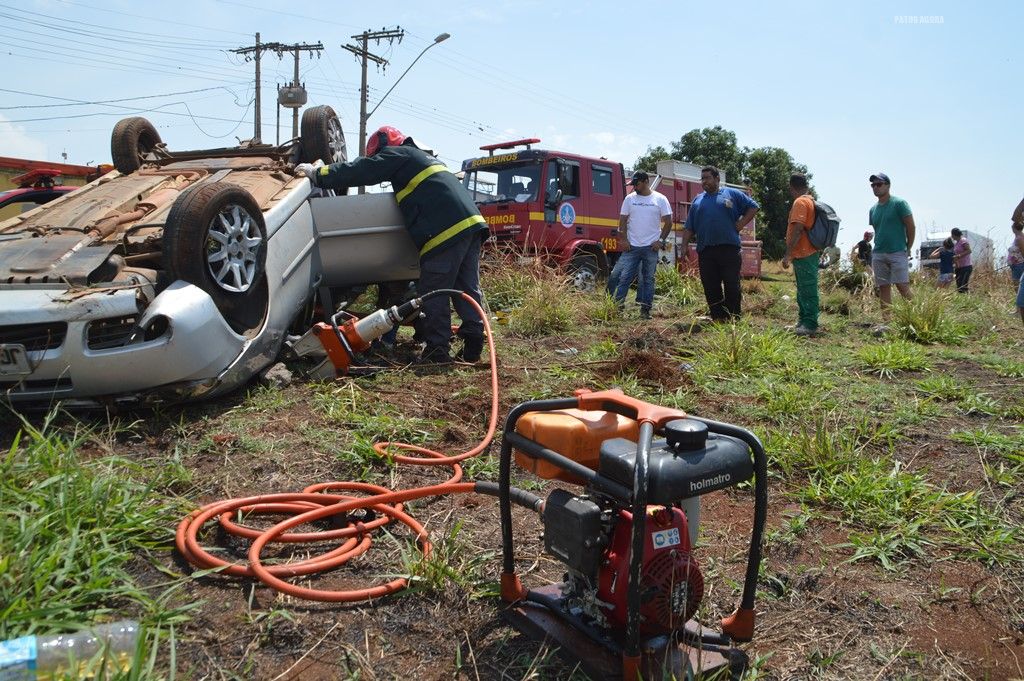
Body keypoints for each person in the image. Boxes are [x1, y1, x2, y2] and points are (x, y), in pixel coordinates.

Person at [296, 125, 488, 364]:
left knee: (434, 291)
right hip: (472, 225)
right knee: (466, 289)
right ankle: (473, 345)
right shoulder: (424, 159)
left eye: (378, 155)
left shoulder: (401, 154)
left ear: (387, 147)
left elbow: (364, 170)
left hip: (445, 230)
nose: (379, 159)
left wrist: (320, 174)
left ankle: (437, 352)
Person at [680, 166, 759, 321]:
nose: (704, 182)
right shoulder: (698, 200)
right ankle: (717, 317)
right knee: (710, 285)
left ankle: (733, 317)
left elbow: (753, 207)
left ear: (717, 179)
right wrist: (683, 246)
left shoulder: (732, 194)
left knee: (731, 283)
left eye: (707, 178)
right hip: (706, 250)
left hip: (729, 248)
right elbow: (689, 227)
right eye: (702, 179)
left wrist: (741, 224)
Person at [610, 170, 672, 319]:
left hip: (651, 248)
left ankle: (645, 311)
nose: (635, 187)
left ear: (645, 181)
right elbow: (623, 220)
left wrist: (661, 241)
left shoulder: (660, 199)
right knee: (622, 277)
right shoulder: (629, 199)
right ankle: (617, 309)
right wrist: (624, 240)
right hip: (632, 247)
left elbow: (668, 222)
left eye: (636, 183)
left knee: (648, 279)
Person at [867, 172, 915, 323]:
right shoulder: (873, 209)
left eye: (879, 184)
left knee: (902, 285)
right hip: (879, 253)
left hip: (897, 251)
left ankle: (917, 315)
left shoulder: (899, 203)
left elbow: (910, 226)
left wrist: (908, 247)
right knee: (883, 287)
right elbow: (878, 229)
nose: (876, 187)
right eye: (873, 185)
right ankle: (887, 322)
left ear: (888, 185)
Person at [781, 173, 819, 335]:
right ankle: (803, 321)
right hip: (806, 252)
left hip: (804, 252)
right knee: (803, 289)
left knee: (808, 289)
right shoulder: (809, 200)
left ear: (791, 187)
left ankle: (810, 324)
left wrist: (787, 254)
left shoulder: (800, 202)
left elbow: (798, 229)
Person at [950, 227, 973, 293]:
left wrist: (959, 255)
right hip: (959, 267)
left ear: (955, 234)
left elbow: (969, 250)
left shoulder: (963, 241)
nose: (951, 236)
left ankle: (966, 298)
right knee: (959, 286)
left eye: (952, 234)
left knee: (963, 285)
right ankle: (961, 300)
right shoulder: (956, 243)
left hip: (966, 266)